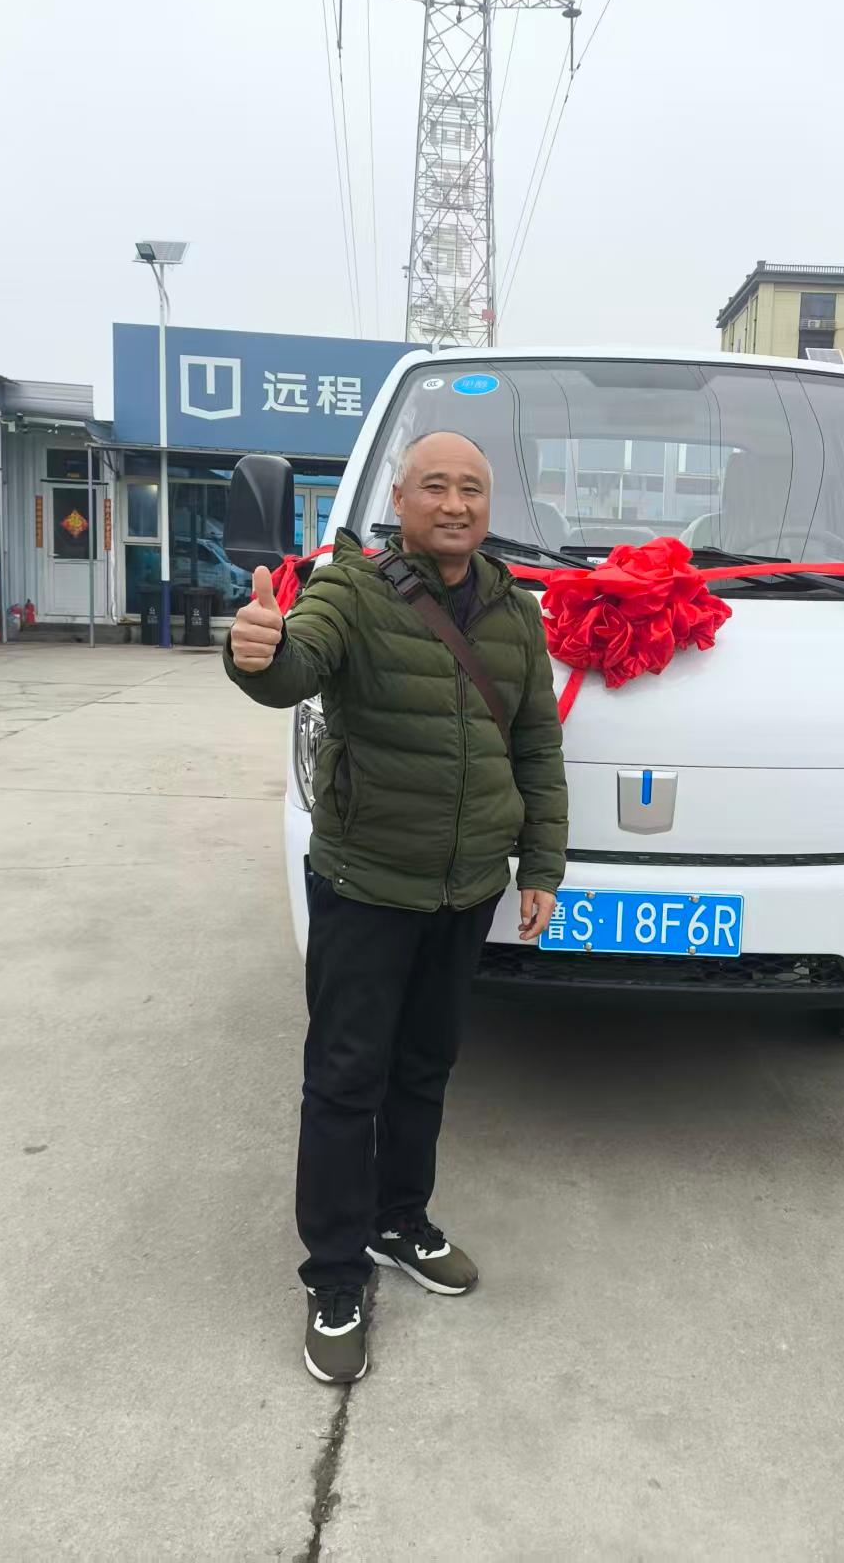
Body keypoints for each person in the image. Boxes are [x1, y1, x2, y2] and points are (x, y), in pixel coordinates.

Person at [226, 431, 567, 1384]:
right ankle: (334, 1275)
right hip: (368, 884)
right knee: (346, 1082)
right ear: (401, 500)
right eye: (435, 487)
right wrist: (257, 652)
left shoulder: (513, 609)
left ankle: (398, 1221)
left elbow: (536, 745)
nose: (455, 504)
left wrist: (540, 865)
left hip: (467, 886)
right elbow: (295, 666)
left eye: (472, 489)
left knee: (424, 1068)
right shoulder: (350, 589)